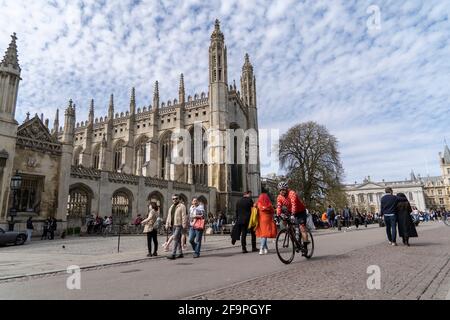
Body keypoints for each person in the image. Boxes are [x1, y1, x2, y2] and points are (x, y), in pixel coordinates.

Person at [276, 181, 309, 247]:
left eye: (283, 190)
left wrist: (293, 214)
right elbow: (279, 206)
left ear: (286, 189)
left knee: (302, 227)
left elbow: (294, 204)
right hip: (290, 212)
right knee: (289, 227)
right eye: (280, 190)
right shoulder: (279, 197)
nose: (282, 191)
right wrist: (278, 215)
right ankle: (295, 240)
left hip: (300, 211)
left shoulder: (292, 193)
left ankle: (305, 245)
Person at [165, 194, 187, 260]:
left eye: (176, 198)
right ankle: (180, 253)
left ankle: (173, 254)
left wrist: (184, 224)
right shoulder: (171, 206)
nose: (174, 200)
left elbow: (184, 216)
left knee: (175, 238)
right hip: (173, 225)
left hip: (179, 224)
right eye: (173, 199)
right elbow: (169, 216)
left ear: (179, 199)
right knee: (178, 240)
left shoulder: (182, 206)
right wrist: (167, 224)